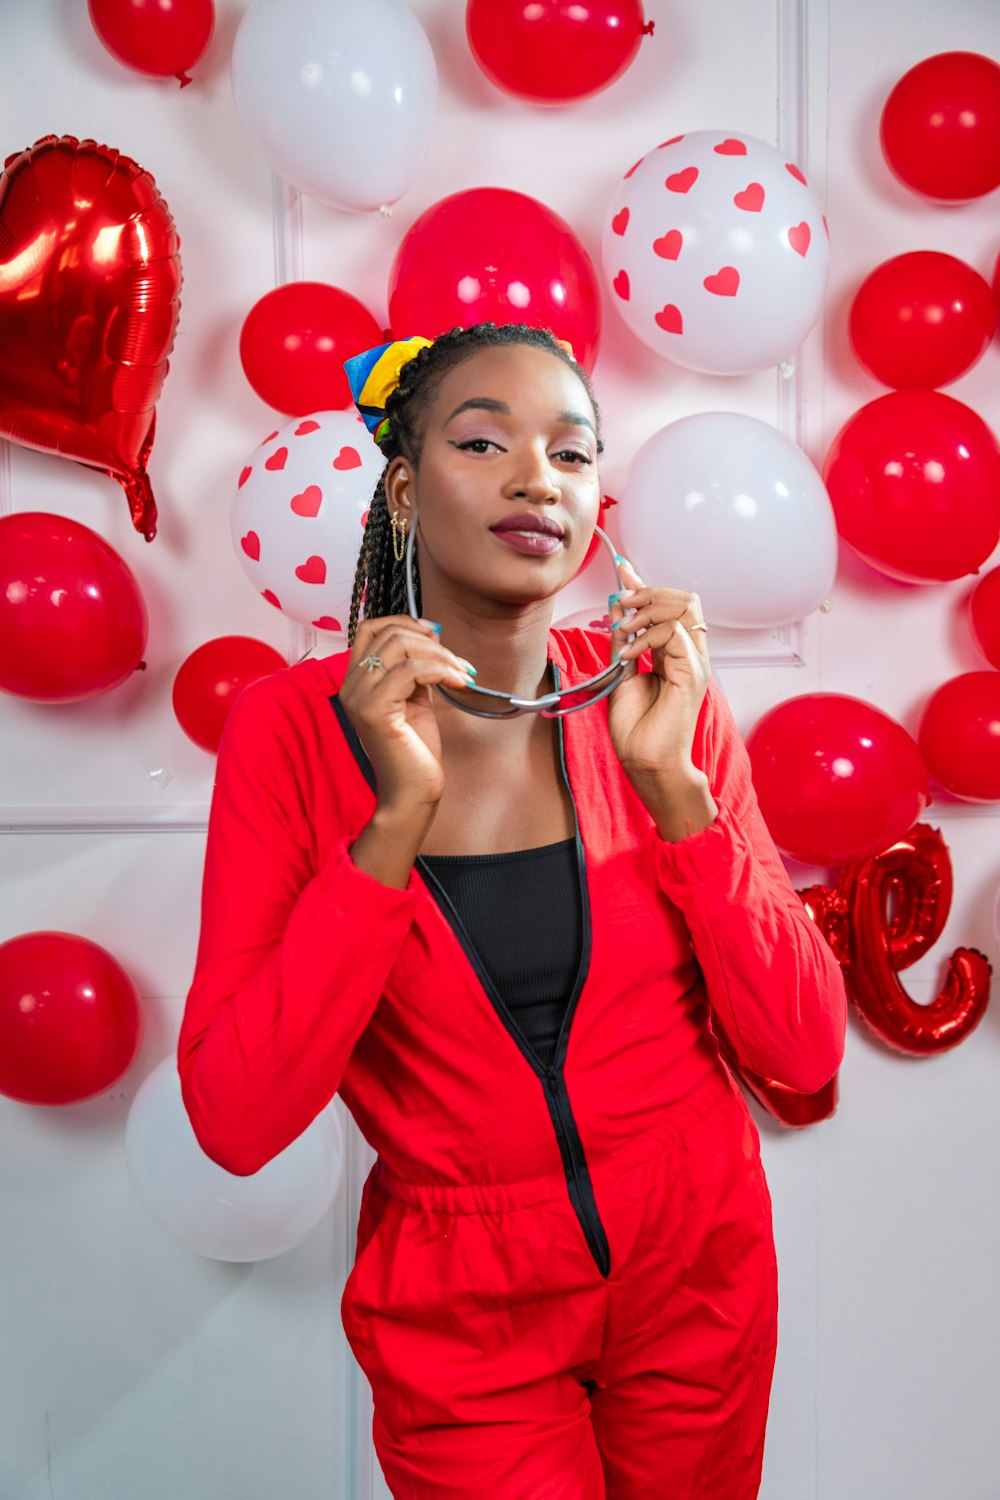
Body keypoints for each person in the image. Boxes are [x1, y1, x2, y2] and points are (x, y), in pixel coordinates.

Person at [177, 322, 847, 1499]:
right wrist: (393, 822)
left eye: (574, 454)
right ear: (401, 486)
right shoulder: (290, 732)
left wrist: (678, 798)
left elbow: (801, 1048)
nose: (538, 477)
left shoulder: (661, 700)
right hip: (462, 1316)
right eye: (483, 441)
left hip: (699, 1263)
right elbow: (236, 1122)